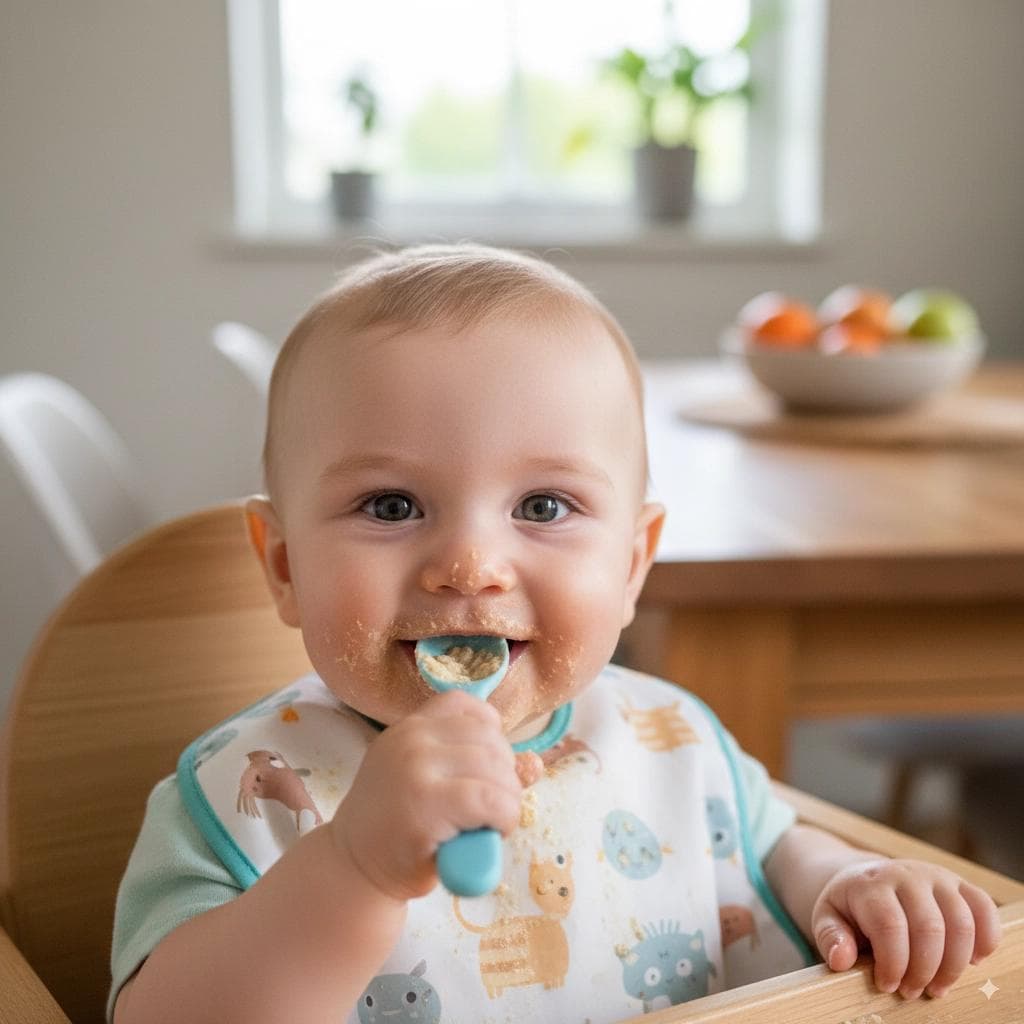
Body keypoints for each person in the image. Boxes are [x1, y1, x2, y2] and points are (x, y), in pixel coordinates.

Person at [110, 244, 1000, 1024]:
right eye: (391, 505)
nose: (468, 564)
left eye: (543, 506)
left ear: (630, 566)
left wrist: (842, 882)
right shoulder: (244, 795)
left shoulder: (669, 737)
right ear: (286, 567)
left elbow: (765, 842)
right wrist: (354, 870)